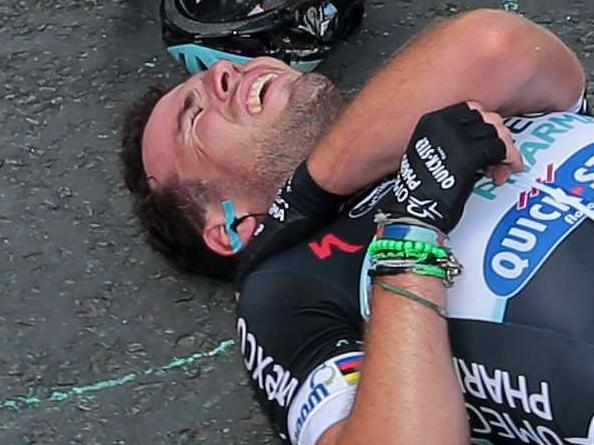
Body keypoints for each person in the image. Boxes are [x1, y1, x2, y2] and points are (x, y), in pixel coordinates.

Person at [121, 8, 594, 445]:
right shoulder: (285, 288)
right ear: (229, 226)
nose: (223, 71)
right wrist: (413, 227)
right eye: (194, 117)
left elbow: (499, 43)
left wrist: (309, 191)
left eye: (213, 74)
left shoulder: (418, 113)